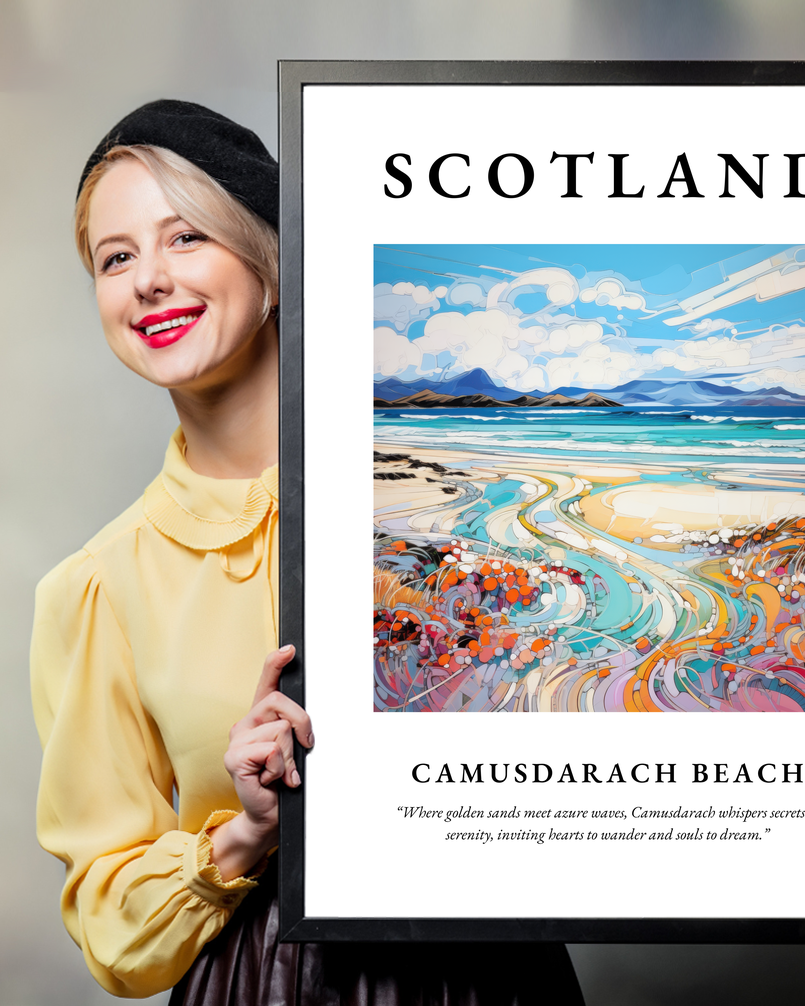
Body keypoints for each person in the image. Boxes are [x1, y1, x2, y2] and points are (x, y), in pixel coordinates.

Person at [30, 100, 585, 1004]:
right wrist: (245, 832)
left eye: (185, 239)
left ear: (273, 264)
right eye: (116, 257)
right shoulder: (97, 587)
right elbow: (110, 924)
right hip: (263, 981)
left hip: (493, 972)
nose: (148, 281)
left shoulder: (451, 503)